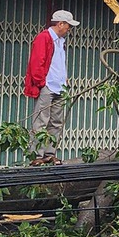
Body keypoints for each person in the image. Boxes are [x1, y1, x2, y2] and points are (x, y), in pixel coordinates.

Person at [24, 9, 76, 160]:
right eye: (68, 25)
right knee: (41, 121)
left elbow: (58, 62)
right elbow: (37, 62)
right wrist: (42, 83)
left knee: (56, 121)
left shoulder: (59, 41)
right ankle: (37, 155)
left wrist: (64, 78)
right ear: (60, 24)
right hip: (47, 86)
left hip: (59, 86)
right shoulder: (44, 38)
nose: (69, 29)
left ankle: (49, 153)